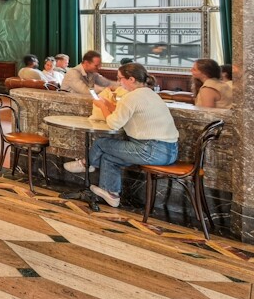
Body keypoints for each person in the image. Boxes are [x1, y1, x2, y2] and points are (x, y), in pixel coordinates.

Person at [63, 62, 178, 208]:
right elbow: (123, 113)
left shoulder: (131, 97)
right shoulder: (150, 94)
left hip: (150, 150)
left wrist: (102, 106)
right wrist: (107, 104)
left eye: (120, 78)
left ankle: (87, 164)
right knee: (109, 157)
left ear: (131, 79)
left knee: (101, 143)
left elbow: (114, 124)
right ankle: (111, 194)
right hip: (169, 151)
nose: (118, 82)